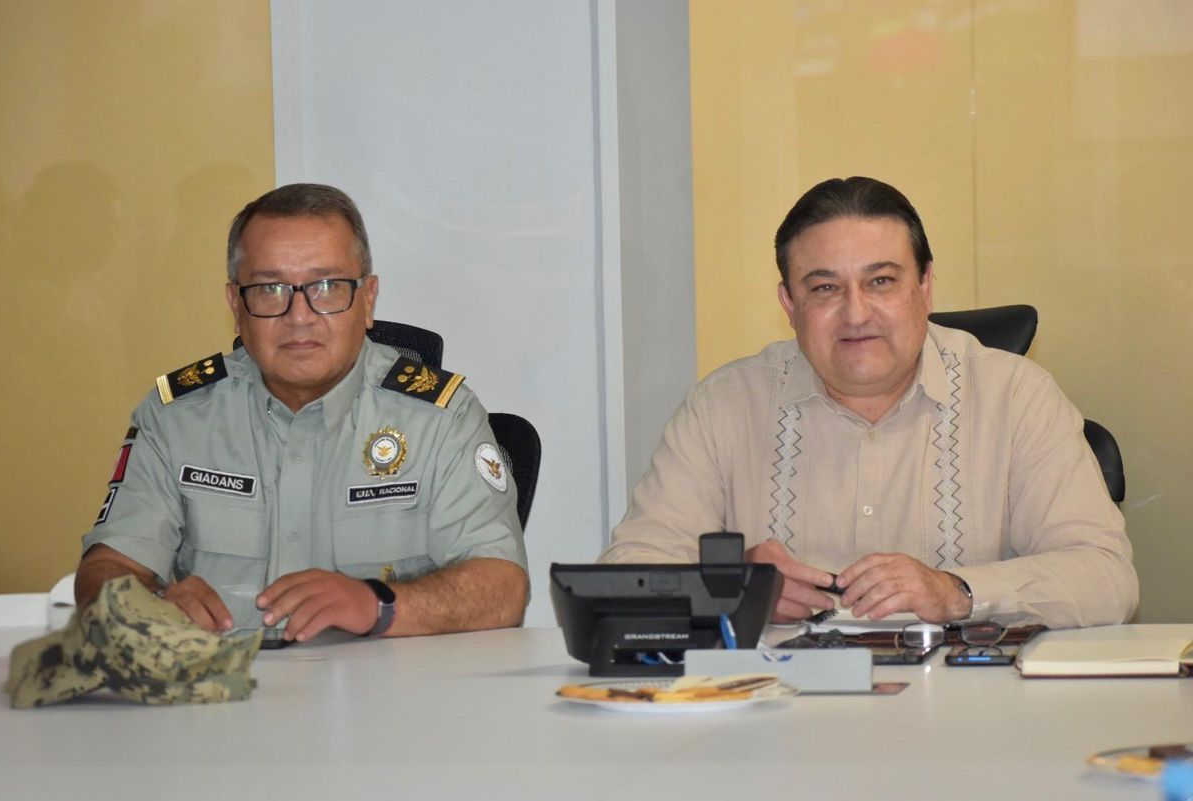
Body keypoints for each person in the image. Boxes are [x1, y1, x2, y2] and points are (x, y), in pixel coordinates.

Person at [601, 176, 1136, 628]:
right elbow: (626, 576)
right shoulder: (724, 406)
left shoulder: (1015, 396)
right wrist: (731, 589)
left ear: (925, 286)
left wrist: (956, 592)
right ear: (789, 303)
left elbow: (1107, 578)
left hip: (971, 704)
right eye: (825, 288)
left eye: (881, 281)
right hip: (783, 705)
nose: (856, 314)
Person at [76, 183, 528, 642]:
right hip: (223, 680)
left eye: (327, 287)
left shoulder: (441, 420)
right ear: (236, 306)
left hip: (383, 683)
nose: (299, 316)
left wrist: (379, 605)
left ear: (368, 299)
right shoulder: (177, 417)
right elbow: (107, 568)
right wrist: (147, 604)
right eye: (269, 289)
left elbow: (503, 588)